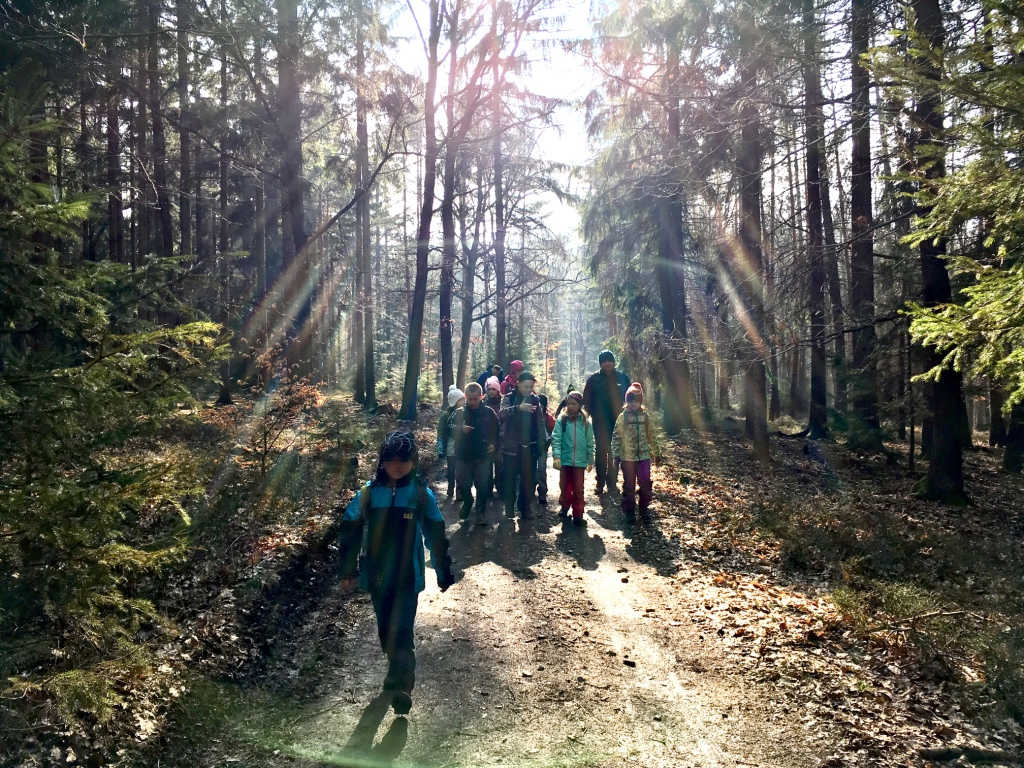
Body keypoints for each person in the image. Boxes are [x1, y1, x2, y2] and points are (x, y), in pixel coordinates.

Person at [337, 431, 456, 715]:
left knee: (401, 629)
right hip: (377, 575)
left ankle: (402, 684)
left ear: (413, 461)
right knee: (385, 629)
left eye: (404, 460)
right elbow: (350, 530)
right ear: (382, 462)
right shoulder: (369, 493)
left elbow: (436, 533)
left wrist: (443, 570)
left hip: (407, 576)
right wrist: (348, 570)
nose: (397, 465)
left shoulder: (419, 494)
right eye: (391, 460)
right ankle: (395, 668)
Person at [498, 371, 546, 519]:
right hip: (511, 448)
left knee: (528, 481)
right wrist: (518, 408)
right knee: (510, 480)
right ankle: (509, 508)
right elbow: (501, 414)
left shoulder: (535, 400)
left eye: (531, 387)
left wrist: (541, 444)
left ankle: (525, 509)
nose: (528, 389)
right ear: (518, 384)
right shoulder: (509, 397)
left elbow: (540, 423)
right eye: (526, 386)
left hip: (529, 447)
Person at [611, 382, 661, 523]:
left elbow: (651, 435)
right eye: (630, 400)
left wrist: (657, 452)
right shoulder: (623, 417)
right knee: (629, 484)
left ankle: (644, 508)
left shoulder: (645, 416)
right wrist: (616, 455)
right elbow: (616, 436)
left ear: (641, 401)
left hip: (644, 456)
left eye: (636, 401)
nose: (633, 404)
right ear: (626, 401)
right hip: (627, 458)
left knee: (645, 483)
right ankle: (629, 511)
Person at [582, 350, 630, 495]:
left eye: (610, 360)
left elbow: (630, 398)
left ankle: (612, 483)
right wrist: (585, 418)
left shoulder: (623, 378)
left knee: (615, 452)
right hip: (600, 422)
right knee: (601, 452)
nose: (607, 363)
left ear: (614, 362)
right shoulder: (593, 379)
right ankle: (600, 482)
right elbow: (586, 401)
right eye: (604, 361)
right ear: (600, 363)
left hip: (619, 421)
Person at [452, 383, 498, 524]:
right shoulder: (459, 412)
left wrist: (494, 444)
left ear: (481, 397)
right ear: (465, 397)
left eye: (475, 399)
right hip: (463, 455)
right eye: (469, 399)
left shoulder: (489, 412)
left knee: (482, 485)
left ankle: (480, 513)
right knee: (462, 482)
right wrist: (460, 429)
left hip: (483, 455)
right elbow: (448, 428)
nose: (472, 402)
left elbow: (497, 430)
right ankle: (468, 501)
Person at [551, 391, 594, 525]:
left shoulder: (586, 422)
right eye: (569, 403)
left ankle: (578, 515)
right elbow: (556, 438)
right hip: (565, 460)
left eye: (574, 404)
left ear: (580, 405)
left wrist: (590, 460)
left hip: (580, 462)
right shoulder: (562, 420)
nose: (570, 406)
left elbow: (590, 442)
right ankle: (564, 507)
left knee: (578, 489)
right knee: (565, 486)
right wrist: (557, 456)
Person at [437, 385, 464, 499]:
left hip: (462, 446)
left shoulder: (464, 412)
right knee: (452, 469)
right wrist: (440, 449)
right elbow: (440, 432)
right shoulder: (446, 415)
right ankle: (450, 488)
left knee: (460, 470)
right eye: (461, 400)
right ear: (455, 401)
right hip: (450, 446)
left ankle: (459, 492)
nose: (464, 401)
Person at [484, 376, 504, 497]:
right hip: (487, 438)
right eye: (489, 389)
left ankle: (500, 488)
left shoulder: (503, 401)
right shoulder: (483, 402)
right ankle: (488, 489)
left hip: (500, 438)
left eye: (494, 389)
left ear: (498, 390)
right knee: (487, 465)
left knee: (500, 465)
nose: (491, 391)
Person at [534, 390, 555, 505]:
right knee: (531, 470)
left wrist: (549, 442)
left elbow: (554, 432)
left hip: (543, 448)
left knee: (541, 470)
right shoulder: (531, 416)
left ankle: (542, 492)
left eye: (541, 405)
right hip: (532, 447)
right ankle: (530, 491)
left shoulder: (549, 418)